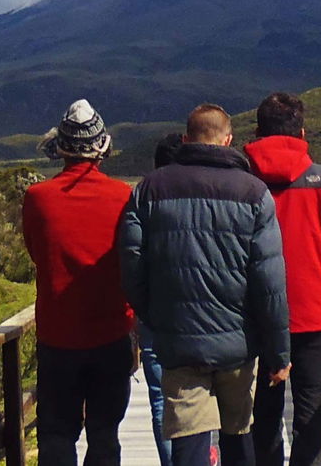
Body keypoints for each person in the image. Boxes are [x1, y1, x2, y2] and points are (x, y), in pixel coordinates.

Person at [119, 104, 291, 466]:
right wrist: (278, 353)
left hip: (179, 342)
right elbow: (270, 282)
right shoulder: (254, 193)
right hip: (238, 344)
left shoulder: (148, 190)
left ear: (185, 139)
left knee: (188, 440)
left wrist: (156, 317)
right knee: (239, 433)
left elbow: (132, 265)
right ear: (229, 140)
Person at [244, 92, 321, 466]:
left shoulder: (241, 181)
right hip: (314, 312)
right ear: (302, 131)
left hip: (254, 314)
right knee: (312, 414)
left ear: (258, 132)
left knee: (261, 411)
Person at [22, 99, 134, 466]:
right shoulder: (123, 196)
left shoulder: (37, 199)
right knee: (104, 434)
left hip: (58, 338)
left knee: (56, 433)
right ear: (102, 148)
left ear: (62, 150)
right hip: (111, 335)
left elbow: (37, 253)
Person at [139, 132, 184, 466]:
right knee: (205, 395)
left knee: (160, 398)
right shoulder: (209, 192)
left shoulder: (142, 197)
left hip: (154, 312)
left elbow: (130, 258)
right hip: (207, 314)